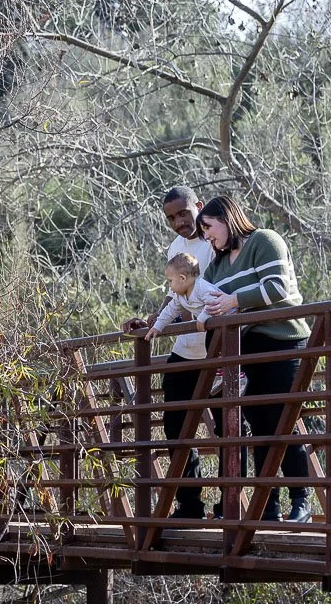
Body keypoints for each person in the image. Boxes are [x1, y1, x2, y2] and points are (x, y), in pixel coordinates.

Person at [197, 195, 313, 523]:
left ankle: (301, 500)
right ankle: (268, 507)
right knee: (260, 428)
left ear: (226, 217)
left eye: (208, 226)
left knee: (282, 423)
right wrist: (204, 315)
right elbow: (205, 299)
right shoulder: (217, 264)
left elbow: (277, 288)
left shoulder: (264, 240)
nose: (207, 236)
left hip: (282, 342)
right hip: (246, 350)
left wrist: (233, 301)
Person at [127, 188, 220, 519]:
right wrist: (153, 321)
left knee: (226, 426)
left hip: (217, 348)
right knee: (175, 426)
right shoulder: (176, 247)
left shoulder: (214, 241)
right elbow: (175, 294)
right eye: (171, 218)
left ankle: (229, 504)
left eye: (183, 213)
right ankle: (190, 503)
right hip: (185, 349)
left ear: (198, 206)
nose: (179, 222)